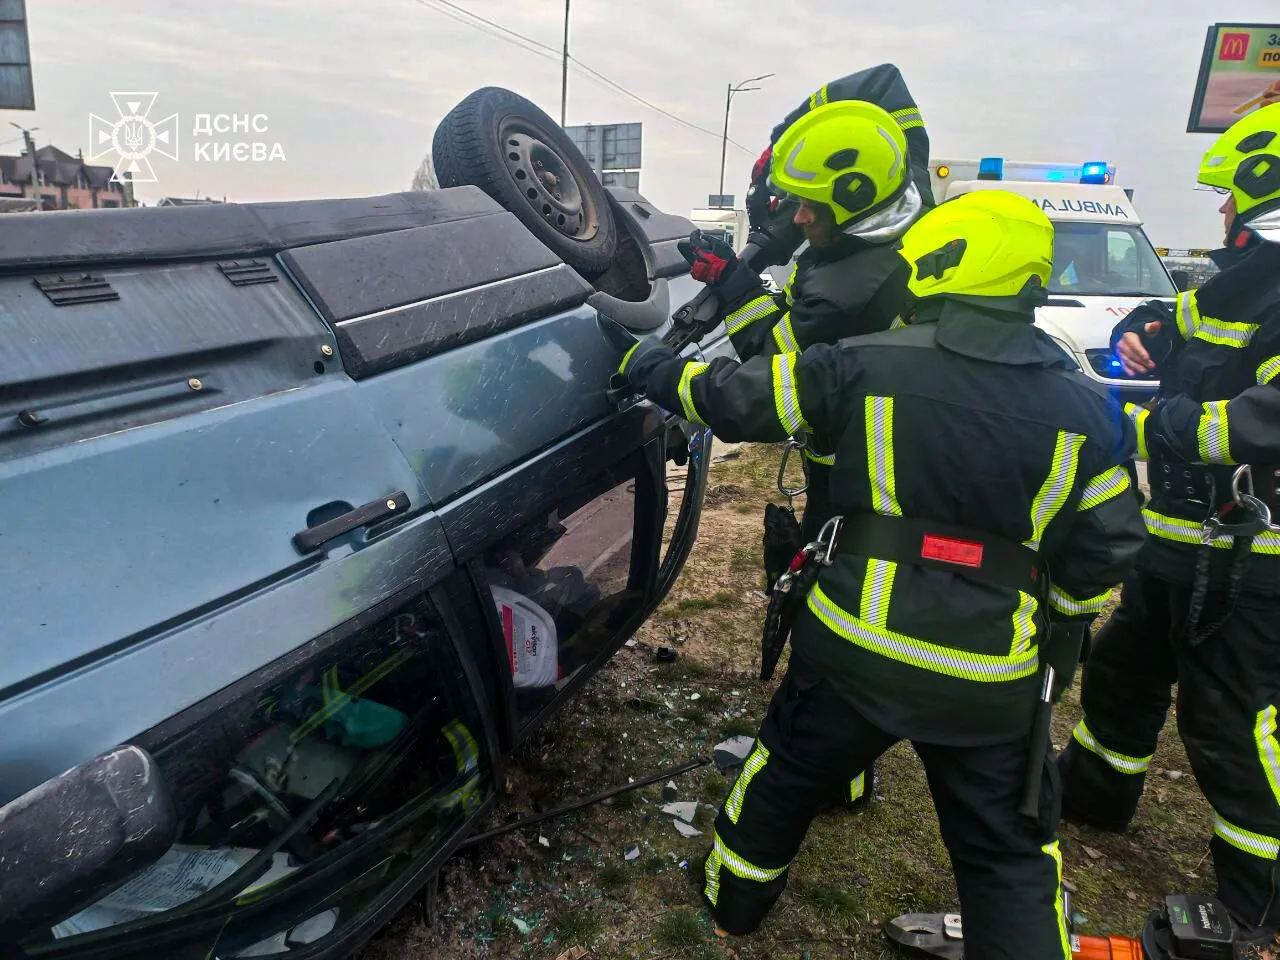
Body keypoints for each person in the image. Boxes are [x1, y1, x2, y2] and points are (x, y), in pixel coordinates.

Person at [609, 188, 1146, 958]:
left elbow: (729, 401)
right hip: (989, 673)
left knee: (786, 774)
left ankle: (734, 905)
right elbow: (1108, 545)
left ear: (936, 264)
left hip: (855, 642)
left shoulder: (858, 364)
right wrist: (1059, 622)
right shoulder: (1092, 414)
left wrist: (647, 363)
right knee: (1008, 851)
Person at [1057, 102, 1280, 953]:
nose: (1219, 212)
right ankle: (1094, 795)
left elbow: (1262, 422)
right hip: (1177, 542)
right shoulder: (1240, 278)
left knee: (1229, 724)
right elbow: (1163, 324)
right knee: (1120, 676)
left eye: (1228, 196)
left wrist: (1158, 426)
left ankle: (1258, 898)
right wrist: (1137, 333)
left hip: (1251, 560)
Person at [681, 91, 931, 811]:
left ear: (851, 200)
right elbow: (790, 332)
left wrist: (677, 379)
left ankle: (819, 774)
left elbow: (774, 370)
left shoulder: (859, 278)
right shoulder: (867, 245)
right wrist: (734, 280)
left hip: (867, 479)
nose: (796, 217)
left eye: (807, 206)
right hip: (870, 465)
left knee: (833, 627)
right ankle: (843, 773)